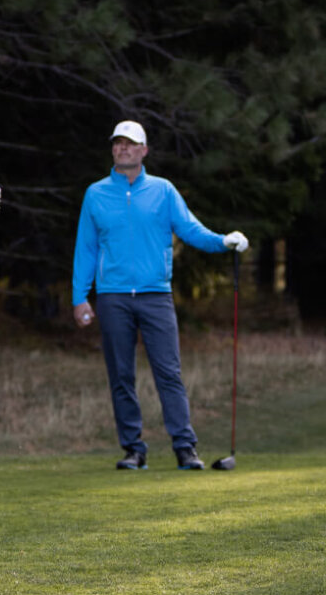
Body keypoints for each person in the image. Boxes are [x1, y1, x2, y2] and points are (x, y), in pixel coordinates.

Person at [72, 120, 249, 471]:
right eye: (118, 143)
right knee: (121, 375)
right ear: (113, 149)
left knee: (169, 373)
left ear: (144, 150)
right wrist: (80, 297)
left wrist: (223, 241)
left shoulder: (163, 190)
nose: (123, 148)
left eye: (130, 143)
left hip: (156, 295)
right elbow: (86, 249)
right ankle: (133, 450)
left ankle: (185, 448)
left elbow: (189, 229)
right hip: (113, 296)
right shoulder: (96, 194)